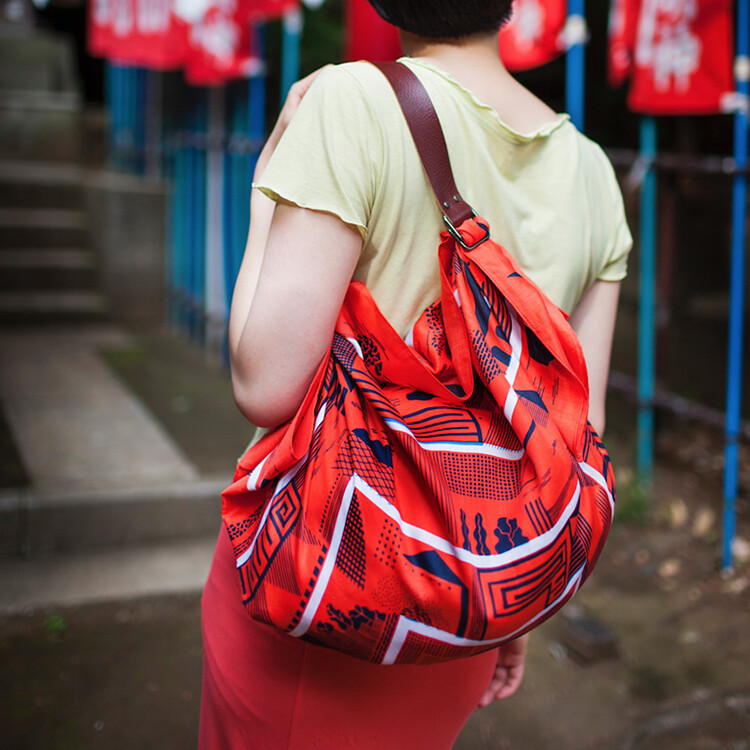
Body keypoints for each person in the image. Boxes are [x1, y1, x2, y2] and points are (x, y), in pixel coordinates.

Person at [199, 1, 632, 747]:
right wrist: (508, 601)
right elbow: (573, 435)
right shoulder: (593, 173)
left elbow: (263, 384)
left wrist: (264, 191)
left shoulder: (352, 103)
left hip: (321, 585)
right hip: (463, 604)